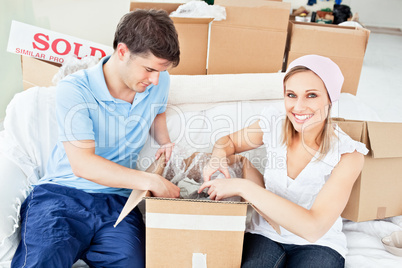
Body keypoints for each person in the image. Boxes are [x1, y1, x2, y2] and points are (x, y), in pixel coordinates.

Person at [12, 9, 181, 268]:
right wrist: (151, 180)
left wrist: (165, 141)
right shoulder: (74, 90)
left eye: (161, 70)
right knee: (42, 261)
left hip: (117, 203)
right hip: (62, 195)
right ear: (122, 52)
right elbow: (83, 164)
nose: (155, 79)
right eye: (149, 69)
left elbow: (158, 110)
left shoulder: (160, 81)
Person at [200, 55, 368, 267]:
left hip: (319, 243)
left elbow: (313, 227)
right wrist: (217, 157)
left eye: (312, 95)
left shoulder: (348, 154)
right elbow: (228, 142)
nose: (298, 107)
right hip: (266, 233)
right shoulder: (273, 124)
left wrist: (242, 186)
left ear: (330, 98)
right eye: (291, 95)